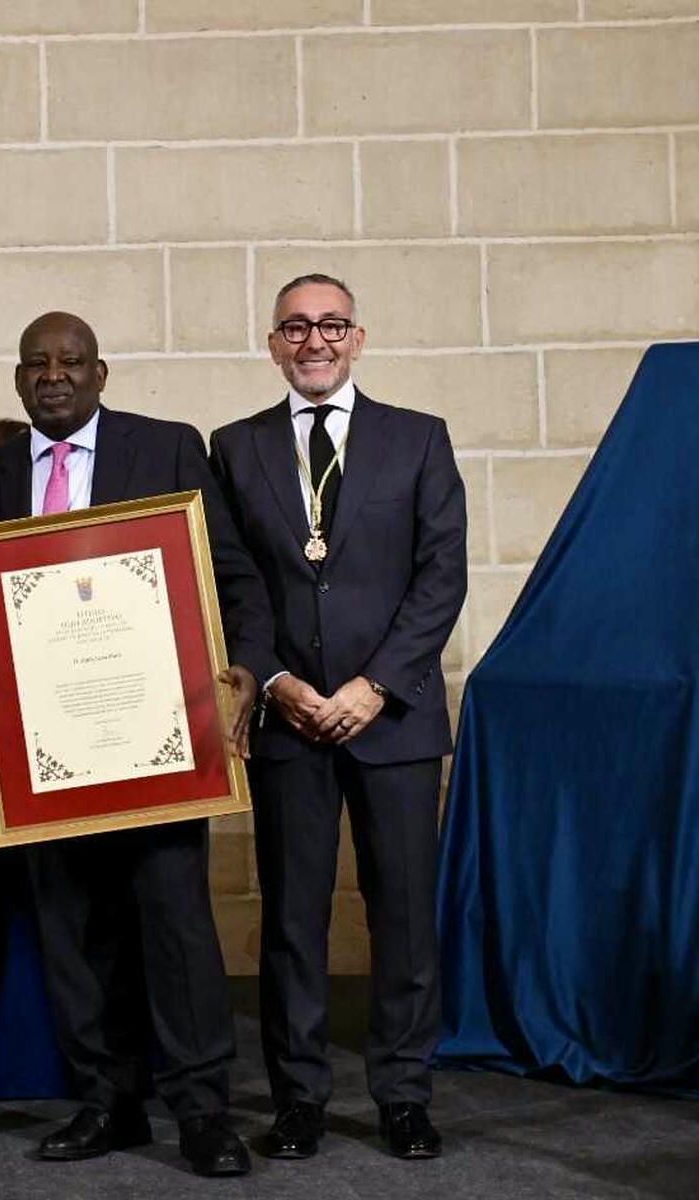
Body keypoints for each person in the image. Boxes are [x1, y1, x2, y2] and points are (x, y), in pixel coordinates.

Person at [0, 312, 276, 1178]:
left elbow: (231, 575)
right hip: (45, 753)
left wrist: (241, 671)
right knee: (72, 933)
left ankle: (201, 1112)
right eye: (36, 364)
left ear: (101, 373)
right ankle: (107, 1103)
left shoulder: (166, 450)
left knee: (174, 928)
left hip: (155, 737)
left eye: (71, 362)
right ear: (18, 380)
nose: (53, 375)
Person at [208, 274, 467, 1161]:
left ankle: (402, 1096)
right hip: (290, 720)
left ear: (357, 338)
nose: (312, 341)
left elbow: (441, 577)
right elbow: (233, 582)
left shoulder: (417, 439)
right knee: (290, 920)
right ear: (272, 343)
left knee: (401, 917)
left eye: (329, 326)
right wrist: (275, 679)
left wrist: (377, 686)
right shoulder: (233, 448)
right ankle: (298, 1101)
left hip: (391, 721)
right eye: (294, 327)